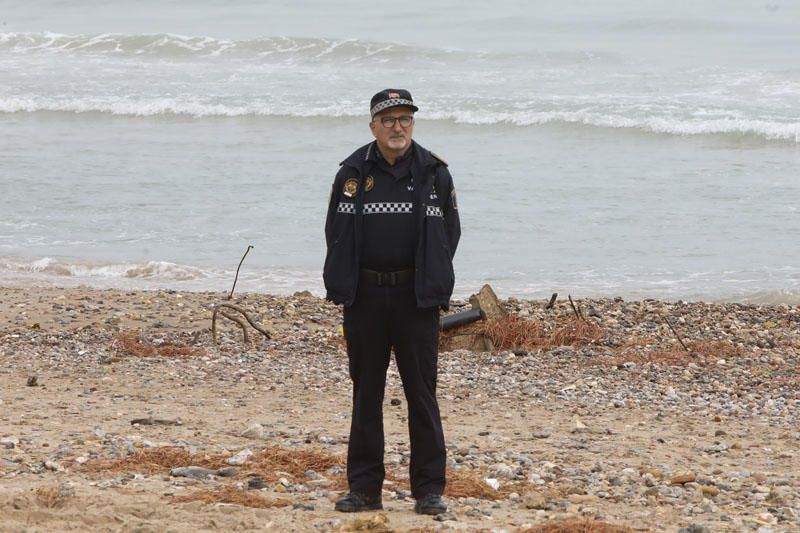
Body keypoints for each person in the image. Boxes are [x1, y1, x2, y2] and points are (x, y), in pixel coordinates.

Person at [323, 89, 460, 515]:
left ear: (413, 124)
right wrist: (346, 285)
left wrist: (430, 281)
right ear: (373, 127)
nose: (397, 127)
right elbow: (335, 232)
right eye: (388, 120)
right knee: (367, 394)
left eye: (405, 118)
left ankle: (429, 491)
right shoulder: (351, 172)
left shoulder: (435, 172)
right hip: (364, 298)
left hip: (415, 300)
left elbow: (450, 235)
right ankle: (364, 490)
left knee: (422, 395)